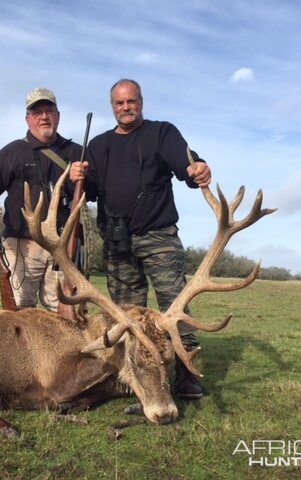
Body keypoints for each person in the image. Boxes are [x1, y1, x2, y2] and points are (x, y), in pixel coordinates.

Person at [69, 78, 212, 399]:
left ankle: (187, 374)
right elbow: (86, 193)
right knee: (126, 313)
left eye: (131, 101)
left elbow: (186, 162)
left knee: (174, 305)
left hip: (158, 235)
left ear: (141, 102)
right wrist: (77, 177)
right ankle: (134, 375)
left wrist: (197, 168)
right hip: (117, 243)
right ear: (112, 107)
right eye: (119, 103)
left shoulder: (161, 133)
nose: (126, 107)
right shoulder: (99, 145)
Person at [0, 88, 84, 312]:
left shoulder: (76, 153)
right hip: (22, 246)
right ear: (28, 119)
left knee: (66, 313)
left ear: (58, 116)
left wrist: (82, 178)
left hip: (63, 246)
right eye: (37, 113)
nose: (44, 117)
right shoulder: (13, 152)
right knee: (21, 312)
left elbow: (93, 191)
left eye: (49, 111)